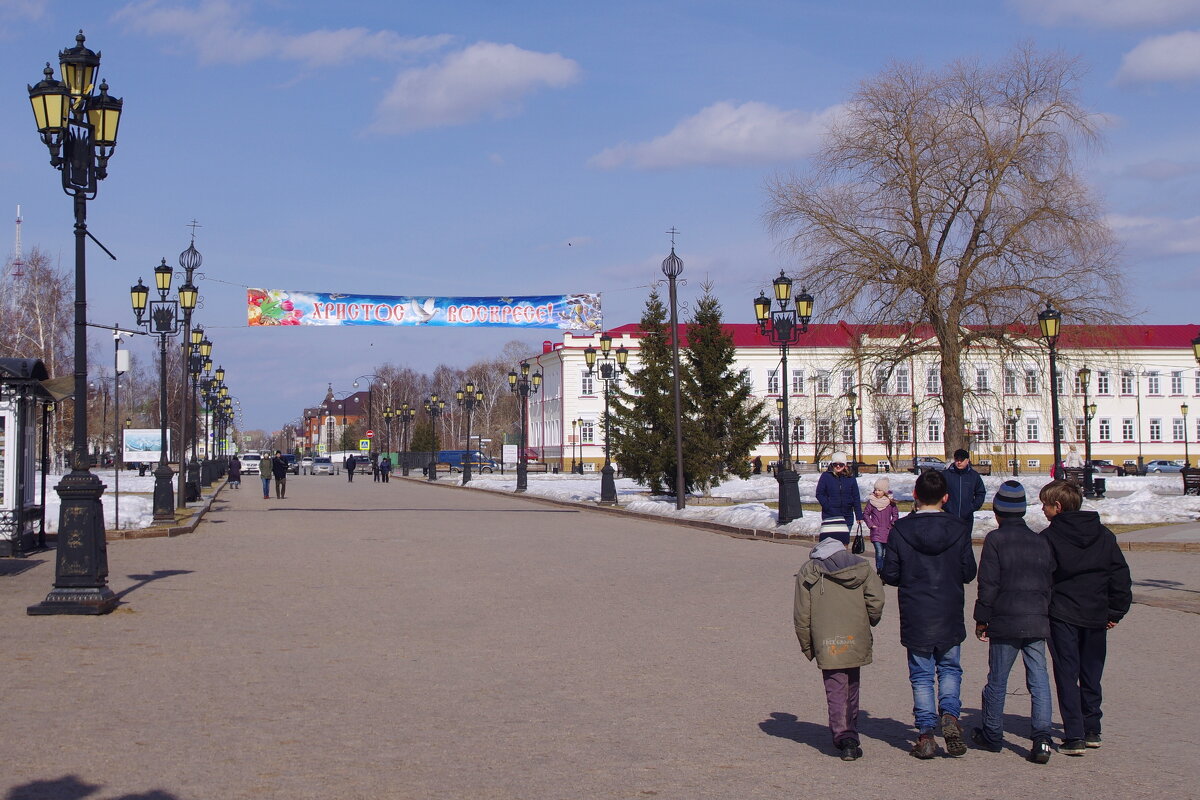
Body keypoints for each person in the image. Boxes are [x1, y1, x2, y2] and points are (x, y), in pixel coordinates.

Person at [882, 468, 977, 759]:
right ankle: (949, 713)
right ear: (946, 498)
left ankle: (925, 733)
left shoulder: (900, 529)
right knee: (949, 667)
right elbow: (968, 572)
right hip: (948, 607)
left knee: (921, 675)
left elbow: (891, 573)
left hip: (917, 610)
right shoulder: (959, 528)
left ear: (914, 496)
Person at [1038, 480, 1132, 756]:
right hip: (1096, 613)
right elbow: (1119, 575)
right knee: (1092, 673)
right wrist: (1116, 610)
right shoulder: (1103, 535)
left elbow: (1045, 578)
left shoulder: (1049, 538)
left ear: (1057, 507)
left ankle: (1075, 733)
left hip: (1063, 613)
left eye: (1045, 504)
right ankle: (1092, 728)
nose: (1042, 510)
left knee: (1068, 674)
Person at [971, 481, 1056, 764]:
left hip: (1005, 617)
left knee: (997, 679)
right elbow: (1048, 581)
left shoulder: (995, 540)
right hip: (1036, 617)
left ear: (998, 512)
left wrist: (982, 618)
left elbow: (989, 583)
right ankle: (1042, 738)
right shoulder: (1040, 540)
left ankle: (993, 734)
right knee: (1039, 679)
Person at [794, 517, 885, 761]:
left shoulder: (809, 569)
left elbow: (802, 613)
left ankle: (843, 736)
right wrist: (868, 622)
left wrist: (807, 644)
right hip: (855, 633)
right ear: (845, 541)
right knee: (852, 684)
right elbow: (876, 600)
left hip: (826, 638)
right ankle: (850, 733)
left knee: (835, 686)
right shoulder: (862, 566)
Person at [816, 452, 864, 531]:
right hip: (830, 516)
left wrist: (859, 515)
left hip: (847, 516)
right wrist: (827, 505)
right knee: (832, 542)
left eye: (841, 464)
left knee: (844, 542)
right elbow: (819, 494)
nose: (838, 466)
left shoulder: (850, 478)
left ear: (845, 465)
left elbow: (856, 497)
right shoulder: (826, 476)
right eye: (835, 464)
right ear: (832, 464)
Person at [862, 477, 899, 573]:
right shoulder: (871, 502)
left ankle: (884, 570)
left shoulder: (890, 503)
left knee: (885, 553)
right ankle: (880, 570)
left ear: (885, 491)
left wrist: (891, 525)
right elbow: (866, 514)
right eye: (876, 490)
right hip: (876, 532)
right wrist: (871, 525)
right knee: (879, 552)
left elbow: (895, 515)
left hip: (887, 531)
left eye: (879, 490)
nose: (877, 492)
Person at [943, 449, 985, 526]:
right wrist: (946, 506)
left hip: (967, 518)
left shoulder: (974, 476)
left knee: (965, 538)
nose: (959, 462)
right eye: (957, 459)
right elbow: (939, 492)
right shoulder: (946, 475)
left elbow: (980, 493)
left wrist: (972, 507)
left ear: (967, 460)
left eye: (961, 460)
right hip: (949, 517)